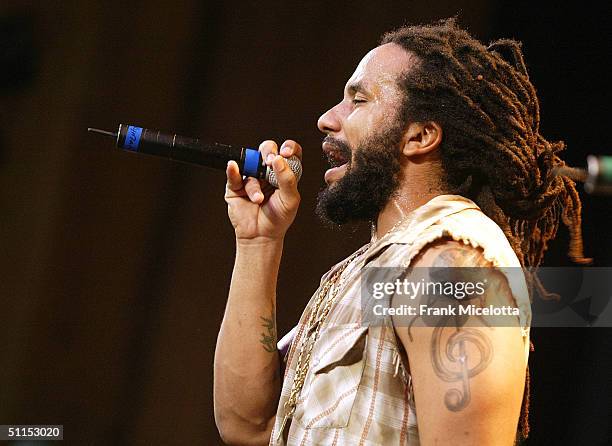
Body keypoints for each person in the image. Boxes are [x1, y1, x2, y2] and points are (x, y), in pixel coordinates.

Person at [213, 18, 588, 445]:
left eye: (358, 100)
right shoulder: (363, 272)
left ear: (421, 135)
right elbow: (249, 426)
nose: (326, 120)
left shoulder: (450, 262)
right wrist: (258, 242)